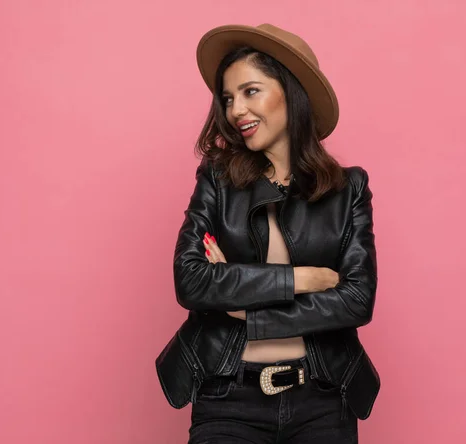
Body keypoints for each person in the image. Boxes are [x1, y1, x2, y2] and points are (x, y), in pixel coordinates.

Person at [156, 23, 380, 444]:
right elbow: (191, 280)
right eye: (228, 98)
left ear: (292, 93)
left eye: (250, 91)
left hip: (322, 398)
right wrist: (304, 279)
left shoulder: (348, 189)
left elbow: (356, 300)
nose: (235, 110)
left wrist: (244, 307)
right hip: (228, 397)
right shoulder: (217, 180)